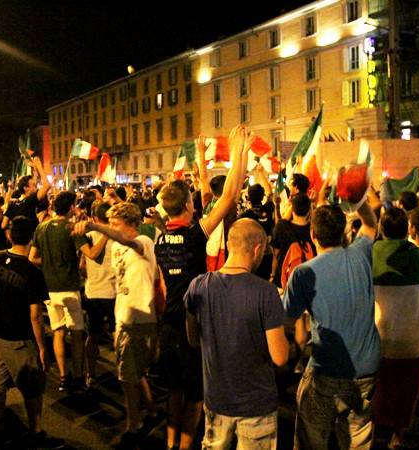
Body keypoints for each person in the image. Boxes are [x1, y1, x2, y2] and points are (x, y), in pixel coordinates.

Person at [154, 127, 249, 450]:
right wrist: (238, 150)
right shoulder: (196, 236)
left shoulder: (159, 240)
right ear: (189, 208)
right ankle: (184, 446)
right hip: (192, 325)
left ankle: (170, 444)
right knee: (195, 395)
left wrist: (200, 166)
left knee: (173, 391)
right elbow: (229, 197)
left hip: (168, 324)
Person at [283, 200, 380, 450]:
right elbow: (371, 223)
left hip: (327, 370)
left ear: (313, 235)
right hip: (367, 370)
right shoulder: (360, 254)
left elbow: (287, 320)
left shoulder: (303, 273)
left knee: (311, 438)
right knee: (358, 439)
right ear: (344, 233)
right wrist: (358, 200)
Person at [184, 218, 288, 449]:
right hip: (256, 405)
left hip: (216, 400)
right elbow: (280, 357)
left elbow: (193, 339)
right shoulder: (267, 293)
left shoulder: (198, 286)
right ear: (258, 248)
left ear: (230, 245)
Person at [74, 202, 159, 449]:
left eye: (114, 224)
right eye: (108, 223)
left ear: (132, 224)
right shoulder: (118, 248)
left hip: (138, 319)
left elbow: (126, 240)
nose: (109, 229)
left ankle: (134, 425)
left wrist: (91, 224)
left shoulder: (143, 242)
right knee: (133, 372)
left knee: (126, 376)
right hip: (123, 315)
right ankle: (151, 412)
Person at [0, 216, 63, 448]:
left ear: (9, 234)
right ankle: (35, 431)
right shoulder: (32, 272)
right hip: (18, 337)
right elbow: (35, 315)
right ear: (32, 237)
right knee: (32, 387)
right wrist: (41, 348)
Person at [30, 191, 108, 392]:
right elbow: (91, 254)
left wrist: (48, 263)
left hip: (49, 289)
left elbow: (32, 258)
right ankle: (80, 376)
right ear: (71, 207)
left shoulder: (41, 228)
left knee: (58, 331)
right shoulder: (71, 228)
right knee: (76, 334)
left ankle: (63, 377)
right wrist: (107, 235)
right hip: (70, 286)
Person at [372, 207, 419, 447]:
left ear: (382, 229)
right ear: (407, 229)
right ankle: (400, 433)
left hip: (380, 333)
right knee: (408, 386)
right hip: (412, 334)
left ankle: (378, 431)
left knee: (381, 386)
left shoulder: (372, 253)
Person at [81, 201, 116, 387]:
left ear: (94, 218)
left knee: (93, 335)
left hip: (93, 292)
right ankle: (123, 371)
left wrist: (91, 277)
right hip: (113, 292)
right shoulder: (116, 237)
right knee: (116, 334)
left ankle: (91, 374)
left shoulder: (87, 236)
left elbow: (81, 266)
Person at [270, 193, 314, 288]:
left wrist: (273, 274)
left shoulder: (282, 227)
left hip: (284, 279)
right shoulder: (314, 230)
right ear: (309, 210)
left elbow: (276, 255)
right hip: (308, 280)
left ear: (292, 209)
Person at [2, 156, 51, 232]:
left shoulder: (12, 203)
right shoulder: (29, 201)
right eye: (34, 185)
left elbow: (3, 225)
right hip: (30, 240)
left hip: (17, 241)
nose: (36, 188)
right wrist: (39, 166)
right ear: (26, 188)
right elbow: (47, 186)